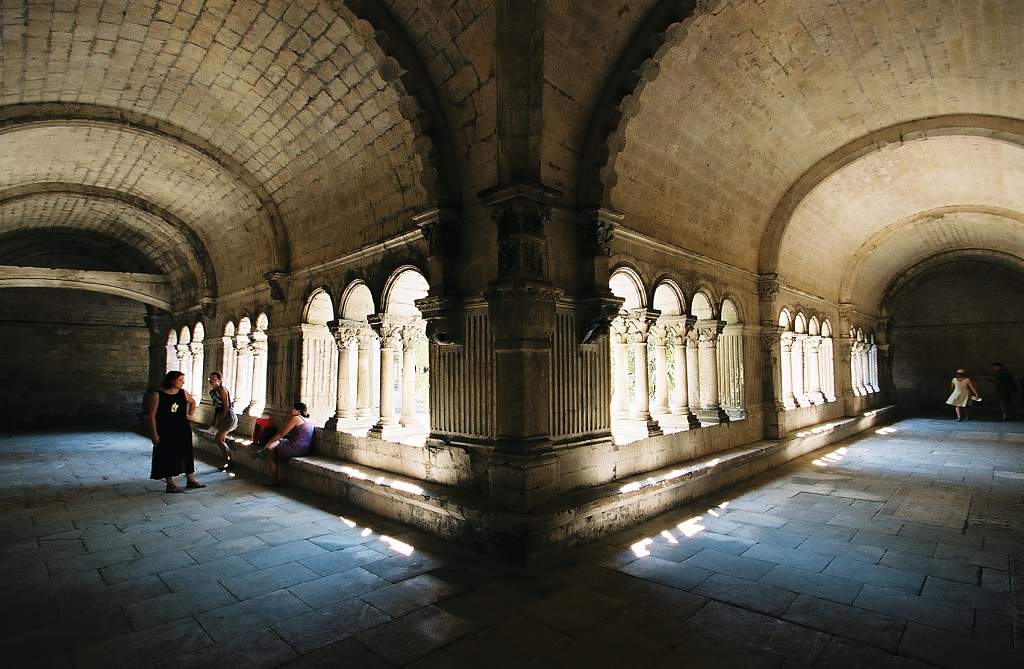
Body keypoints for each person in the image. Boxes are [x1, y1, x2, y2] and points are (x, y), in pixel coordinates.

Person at [147, 371, 206, 493]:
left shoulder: (183, 393)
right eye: (180, 380)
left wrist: (190, 414)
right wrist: (154, 434)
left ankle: (190, 480)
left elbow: (193, 402)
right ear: (172, 380)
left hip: (182, 428)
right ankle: (170, 483)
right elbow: (152, 416)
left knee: (186, 452)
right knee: (167, 454)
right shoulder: (157, 395)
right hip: (165, 430)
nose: (183, 382)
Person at [253, 402, 314, 486]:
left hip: (295, 448)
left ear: (298, 411)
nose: (291, 410)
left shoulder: (296, 418)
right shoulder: (309, 420)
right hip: (306, 449)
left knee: (271, 455)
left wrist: (269, 441)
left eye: (293, 409)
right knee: (282, 440)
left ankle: (274, 481)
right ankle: (266, 449)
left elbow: (281, 433)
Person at [207, 371, 238, 469]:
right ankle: (229, 462)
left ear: (219, 380)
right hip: (221, 416)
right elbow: (217, 407)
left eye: (214, 379)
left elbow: (226, 406)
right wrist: (214, 419)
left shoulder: (222, 389)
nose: (212, 381)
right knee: (221, 440)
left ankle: (227, 462)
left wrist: (221, 419)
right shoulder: (212, 392)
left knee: (218, 440)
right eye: (210, 379)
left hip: (228, 417)